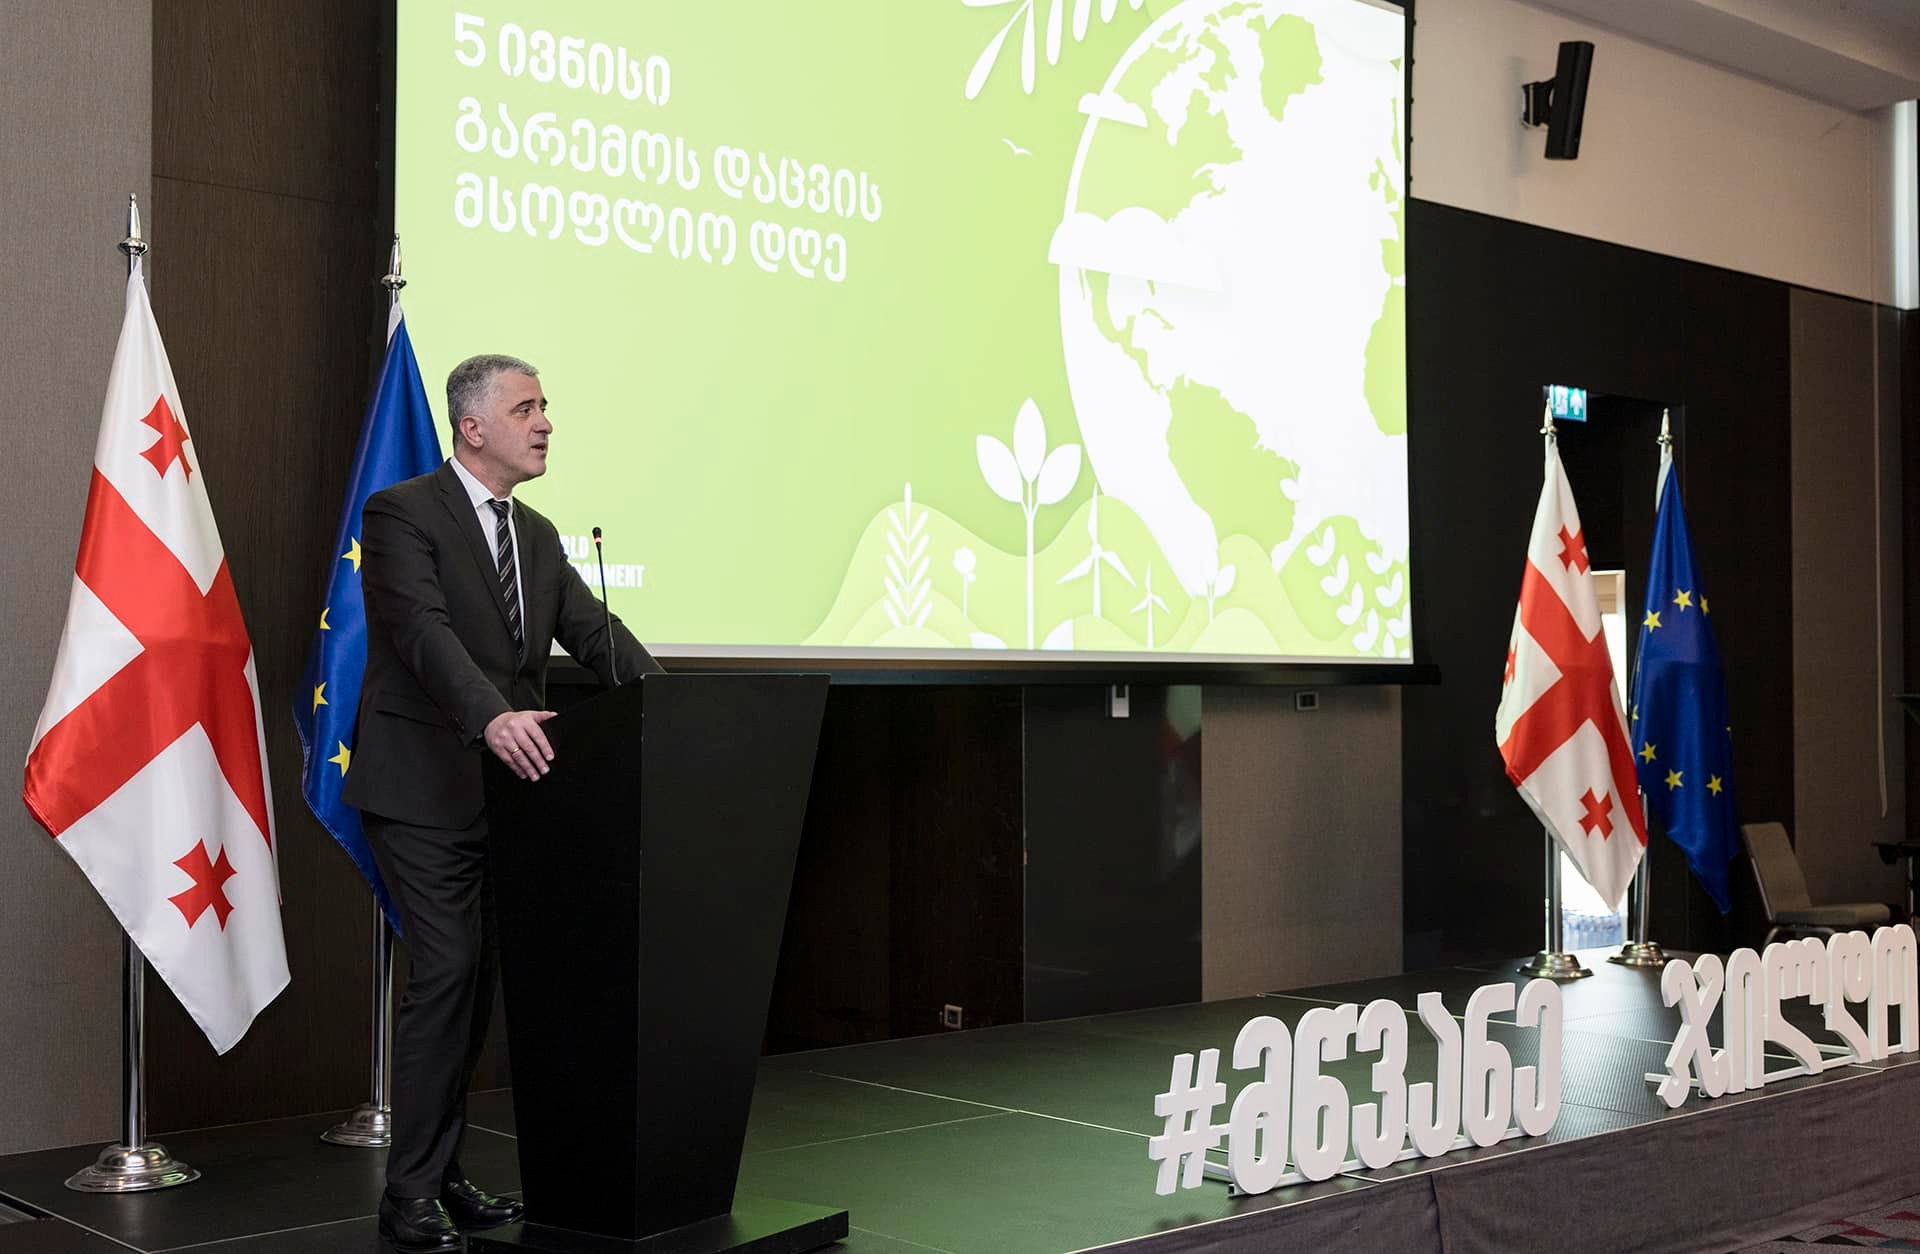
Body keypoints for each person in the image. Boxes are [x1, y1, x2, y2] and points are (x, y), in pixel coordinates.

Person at [343, 353, 661, 1252]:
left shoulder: (539, 535)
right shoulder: (403, 512)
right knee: (447, 973)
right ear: (472, 427)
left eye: (545, 407)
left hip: (509, 799)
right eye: (527, 409)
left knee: (476, 984)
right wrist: (490, 717)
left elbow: (595, 632)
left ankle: (442, 1174)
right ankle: (407, 1195)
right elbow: (422, 633)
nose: (546, 422)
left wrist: (672, 703)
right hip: (420, 787)